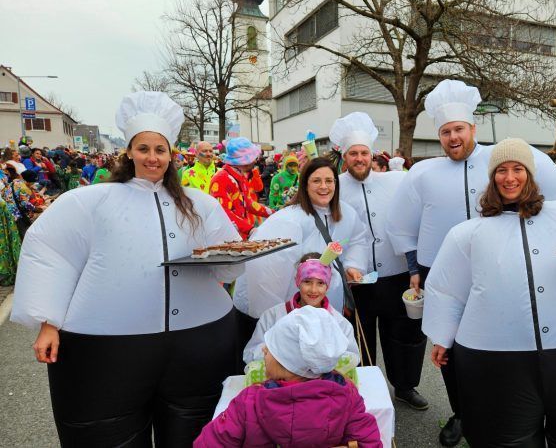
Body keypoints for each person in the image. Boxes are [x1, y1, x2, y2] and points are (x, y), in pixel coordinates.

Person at [10, 91, 245, 447]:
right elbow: (50, 253)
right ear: (129, 152)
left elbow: (229, 265)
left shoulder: (200, 204)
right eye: (144, 148)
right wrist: (48, 324)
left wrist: (233, 255)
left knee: (195, 434)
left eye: (160, 150)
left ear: (171, 154)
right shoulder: (89, 201)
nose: (152, 157)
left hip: (198, 343)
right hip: (107, 353)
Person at [386, 79, 556, 446]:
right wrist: (412, 272)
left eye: (459, 129)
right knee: (448, 345)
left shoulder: (505, 160)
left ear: (473, 128)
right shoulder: (422, 173)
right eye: (445, 132)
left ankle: (503, 409)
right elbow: (401, 226)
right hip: (439, 272)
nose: (453, 137)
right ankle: (461, 412)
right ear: (439, 136)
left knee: (501, 338)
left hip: (500, 269)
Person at [424, 138, 556, 446]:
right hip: (497, 357)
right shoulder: (468, 233)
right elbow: (446, 287)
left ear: (531, 175)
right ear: (492, 178)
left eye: (518, 169)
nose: (510, 178)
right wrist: (442, 336)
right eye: (502, 170)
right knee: (504, 438)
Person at [334, 112, 429, 411]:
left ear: (372, 154)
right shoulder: (332, 186)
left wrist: (414, 267)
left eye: (364, 153)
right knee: (358, 338)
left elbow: (413, 222)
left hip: (396, 273)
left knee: (404, 335)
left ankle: (405, 386)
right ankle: (362, 388)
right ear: (344, 156)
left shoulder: (396, 182)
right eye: (353, 153)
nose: (359, 158)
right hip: (355, 277)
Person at [233, 157, 370, 361]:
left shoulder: (347, 214)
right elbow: (266, 271)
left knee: (323, 353)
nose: (324, 186)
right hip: (292, 307)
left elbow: (358, 239)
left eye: (329, 181)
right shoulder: (288, 219)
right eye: (316, 181)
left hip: (327, 304)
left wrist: (352, 266)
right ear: (305, 185)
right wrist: (274, 317)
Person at [194, 306, 382, 448]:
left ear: (287, 362)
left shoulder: (249, 401)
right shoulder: (347, 396)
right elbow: (369, 442)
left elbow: (208, 443)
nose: (264, 349)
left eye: (272, 348)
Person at [242, 252, 359, 365]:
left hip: (322, 384)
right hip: (281, 382)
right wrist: (278, 349)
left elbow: (352, 357)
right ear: (297, 281)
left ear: (327, 286)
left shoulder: (338, 322)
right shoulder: (273, 316)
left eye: (320, 283)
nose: (313, 290)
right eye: (307, 282)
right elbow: (249, 354)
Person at [209, 137, 273, 239]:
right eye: (253, 157)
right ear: (245, 160)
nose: (255, 161)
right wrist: (249, 229)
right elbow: (223, 212)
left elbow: (249, 203)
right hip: (228, 240)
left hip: (240, 237)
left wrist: (273, 213)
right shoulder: (221, 178)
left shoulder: (240, 176)